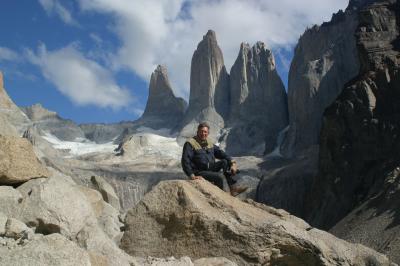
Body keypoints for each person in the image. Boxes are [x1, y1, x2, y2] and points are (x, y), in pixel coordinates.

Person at [181, 122, 247, 196]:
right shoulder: (190, 143)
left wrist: (232, 162)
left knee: (224, 162)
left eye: (205, 132)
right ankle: (224, 195)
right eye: (201, 131)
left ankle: (233, 188)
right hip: (199, 172)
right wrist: (191, 175)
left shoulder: (209, 142)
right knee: (219, 176)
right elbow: (185, 160)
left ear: (208, 133)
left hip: (209, 168)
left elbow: (220, 153)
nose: (203, 133)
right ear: (197, 132)